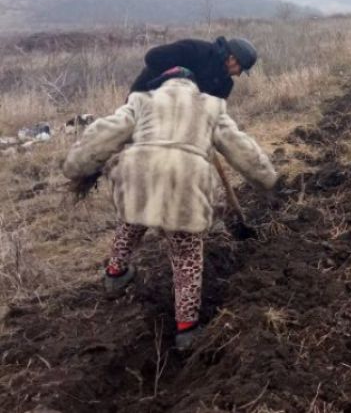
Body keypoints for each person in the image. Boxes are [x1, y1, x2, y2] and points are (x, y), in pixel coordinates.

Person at [63, 67, 277, 350]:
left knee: (132, 220)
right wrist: (266, 177)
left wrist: (75, 166)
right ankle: (186, 330)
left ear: (162, 85)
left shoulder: (141, 101)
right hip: (185, 185)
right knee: (186, 255)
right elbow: (241, 147)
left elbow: (103, 133)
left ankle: (115, 274)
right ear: (192, 86)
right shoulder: (210, 107)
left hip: (139, 178)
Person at [129, 37, 258, 99]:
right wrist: (179, 77)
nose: (238, 74)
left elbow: (213, 117)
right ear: (232, 59)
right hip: (142, 100)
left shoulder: (225, 85)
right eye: (240, 69)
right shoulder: (194, 50)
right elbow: (151, 57)